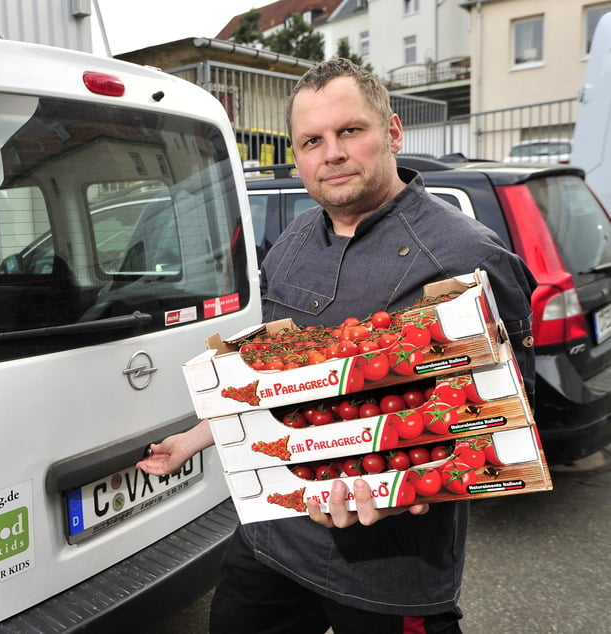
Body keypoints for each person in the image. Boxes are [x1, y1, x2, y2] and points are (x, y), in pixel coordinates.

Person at [137, 58, 536, 634]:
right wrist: (194, 438)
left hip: (389, 565)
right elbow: (267, 370)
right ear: (296, 156)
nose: (332, 154)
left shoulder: (466, 254)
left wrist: (409, 488)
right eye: (312, 141)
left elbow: (500, 424)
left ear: (392, 132)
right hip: (274, 532)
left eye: (350, 131)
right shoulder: (294, 241)